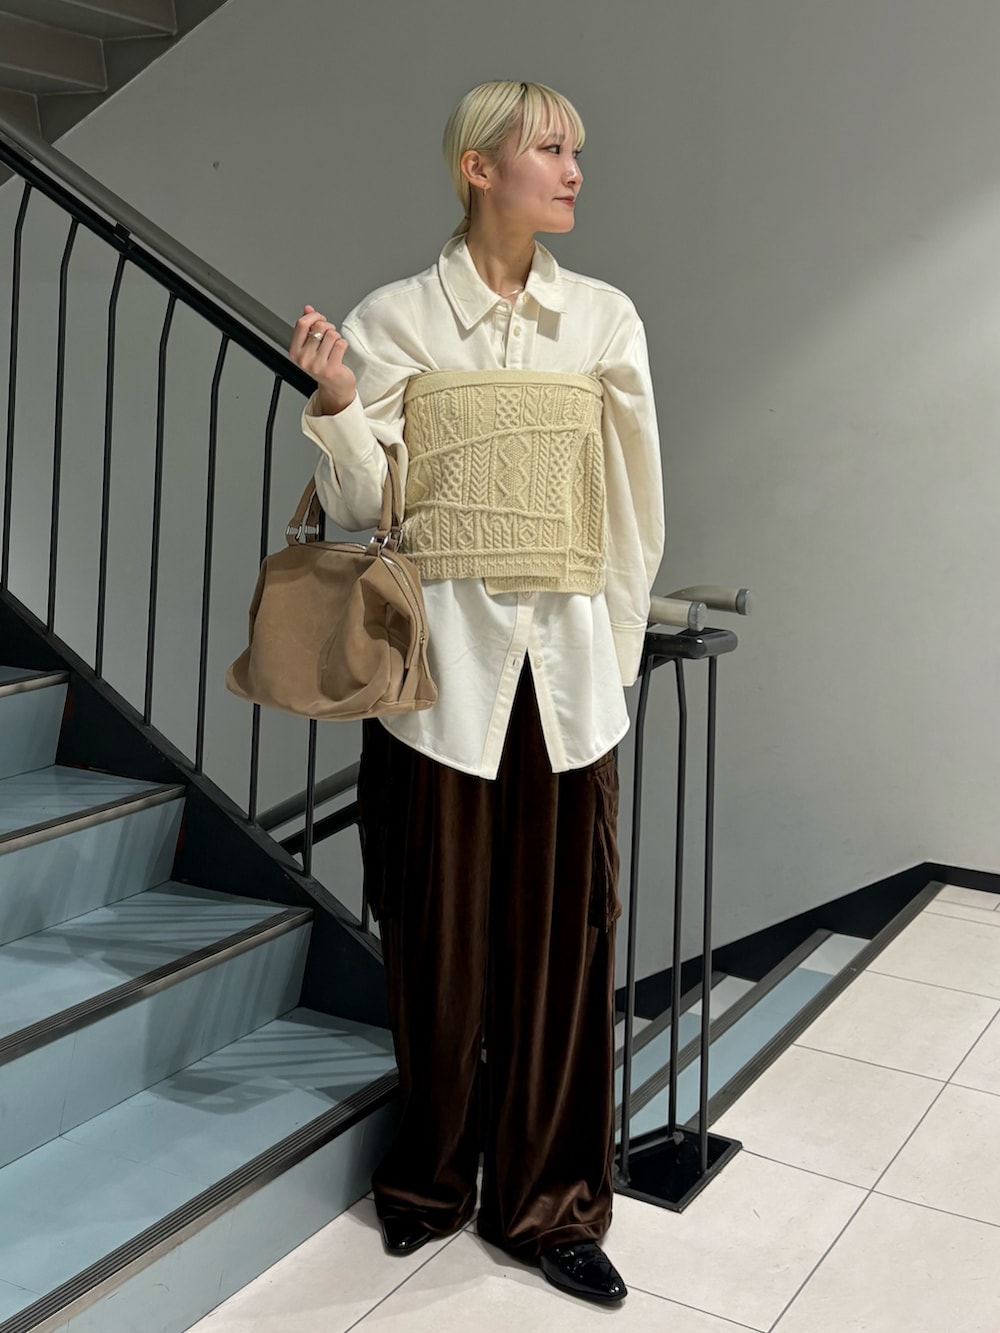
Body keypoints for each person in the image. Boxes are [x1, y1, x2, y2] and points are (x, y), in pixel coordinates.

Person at [289, 80, 664, 1306]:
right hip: (435, 686)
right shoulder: (397, 319)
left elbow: (632, 515)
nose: (573, 168)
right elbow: (367, 510)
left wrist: (610, 669)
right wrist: (340, 406)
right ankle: (432, 1178)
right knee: (435, 945)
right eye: (550, 147)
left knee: (561, 959)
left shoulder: (602, 320)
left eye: (574, 149)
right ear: (478, 167)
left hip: (566, 691)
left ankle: (550, 1204)